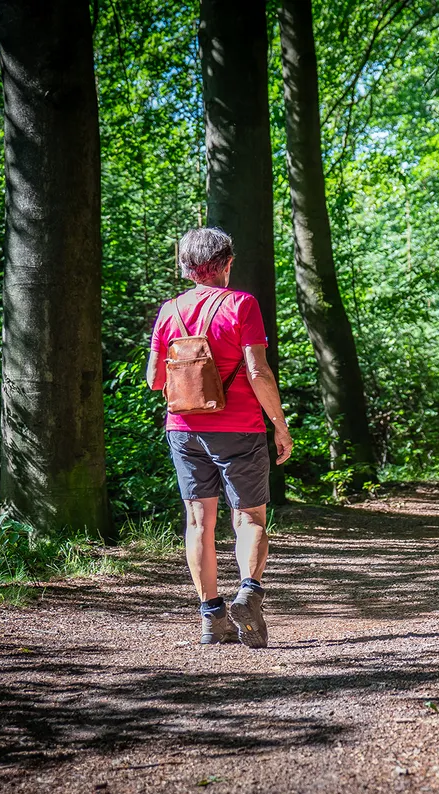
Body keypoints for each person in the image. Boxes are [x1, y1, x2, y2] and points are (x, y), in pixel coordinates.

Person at [146, 227, 293, 648]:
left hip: (184, 430)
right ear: (227, 263)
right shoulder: (242, 304)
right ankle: (248, 592)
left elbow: (155, 380)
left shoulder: (169, 311)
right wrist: (279, 425)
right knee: (250, 518)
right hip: (240, 427)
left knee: (198, 522)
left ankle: (212, 618)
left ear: (186, 267)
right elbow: (257, 371)